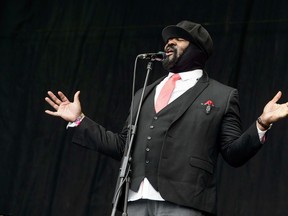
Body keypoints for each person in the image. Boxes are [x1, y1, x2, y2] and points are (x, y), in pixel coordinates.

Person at [45, 20, 288, 216]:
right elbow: (123, 145)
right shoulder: (144, 92)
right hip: (134, 200)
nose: (169, 42)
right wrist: (79, 120)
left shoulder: (222, 95)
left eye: (178, 39)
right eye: (167, 40)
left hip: (184, 202)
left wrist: (262, 123)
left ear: (197, 49)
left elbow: (233, 153)